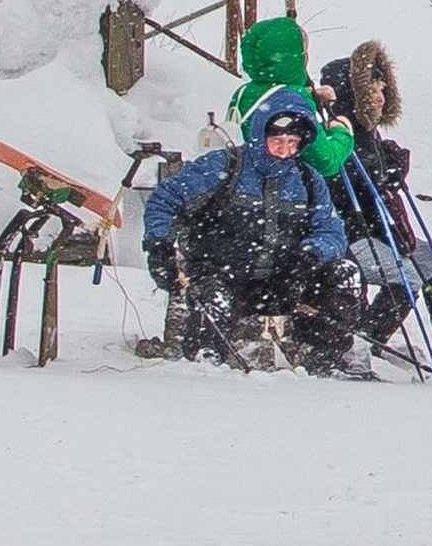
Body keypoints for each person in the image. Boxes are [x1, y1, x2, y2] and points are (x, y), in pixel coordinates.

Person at [142, 90, 366, 375]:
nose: (284, 151)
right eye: (277, 142)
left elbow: (331, 230)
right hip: (222, 276)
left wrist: (307, 258)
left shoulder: (308, 179)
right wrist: (159, 245)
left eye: (292, 143)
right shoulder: (223, 166)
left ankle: (323, 363)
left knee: (344, 273)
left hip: (283, 280)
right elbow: (165, 198)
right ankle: (205, 370)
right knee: (214, 302)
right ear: (261, 136)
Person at [319, 42, 432, 373]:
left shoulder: (370, 137)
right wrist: (377, 168)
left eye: (382, 89)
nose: (380, 97)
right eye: (372, 90)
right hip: (353, 237)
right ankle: (365, 339)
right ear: (354, 95)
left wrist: (387, 165)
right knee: (406, 276)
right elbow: (341, 186)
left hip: (387, 236)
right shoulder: (337, 138)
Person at [227, 15, 355, 180]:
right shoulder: (292, 100)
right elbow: (325, 162)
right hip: (281, 190)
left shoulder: (243, 93)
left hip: (246, 185)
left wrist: (309, 96)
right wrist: (341, 131)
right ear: (292, 58)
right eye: (302, 52)